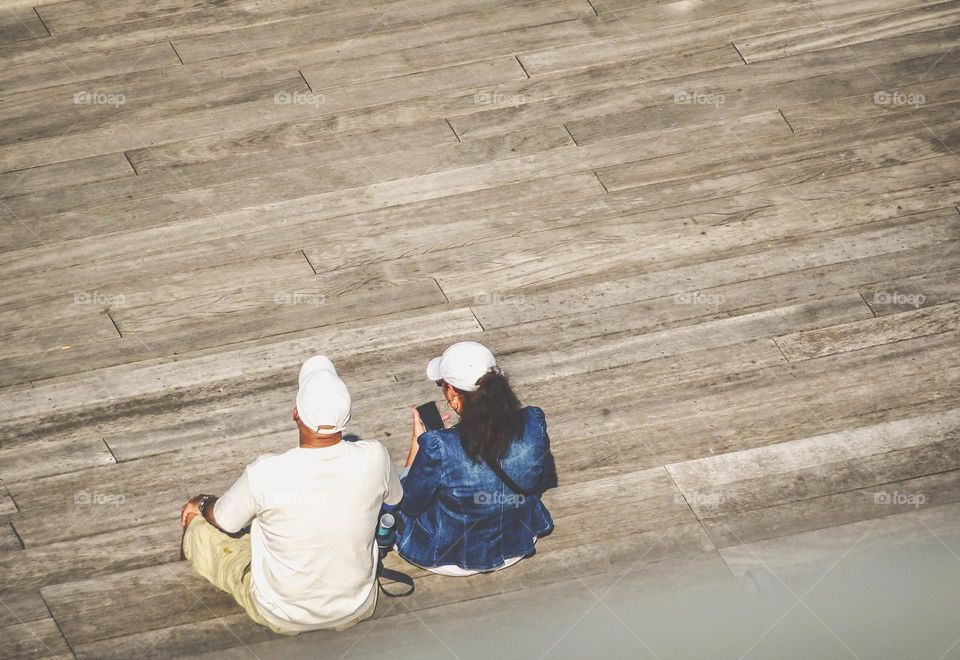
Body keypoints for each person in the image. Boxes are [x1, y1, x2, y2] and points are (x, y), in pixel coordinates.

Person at [179, 356, 402, 633]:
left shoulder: (265, 472)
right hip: (357, 606)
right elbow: (394, 499)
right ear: (347, 418)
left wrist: (201, 503)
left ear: (296, 413)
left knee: (198, 529)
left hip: (280, 613)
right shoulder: (375, 456)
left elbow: (224, 521)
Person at [393, 341, 556, 576]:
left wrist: (418, 448)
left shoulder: (437, 445)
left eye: (441, 384)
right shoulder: (533, 420)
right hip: (517, 541)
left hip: (448, 555)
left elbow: (410, 503)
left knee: (393, 489)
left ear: (452, 393)